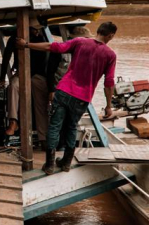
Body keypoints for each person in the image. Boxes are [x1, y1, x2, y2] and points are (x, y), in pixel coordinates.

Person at [20, 21, 118, 174]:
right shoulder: (110, 55)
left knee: (54, 126)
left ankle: (50, 165)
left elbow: (53, 47)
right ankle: (66, 163)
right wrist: (108, 106)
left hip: (64, 91)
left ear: (98, 31)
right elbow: (109, 83)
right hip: (83, 98)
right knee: (71, 127)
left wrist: (26, 44)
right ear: (110, 35)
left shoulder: (80, 42)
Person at [0, 21, 51, 145]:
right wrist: (2, 78)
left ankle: (43, 135)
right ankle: (13, 122)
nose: (37, 32)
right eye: (34, 29)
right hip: (21, 73)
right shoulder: (14, 39)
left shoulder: (41, 39)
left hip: (37, 74)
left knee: (40, 100)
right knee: (13, 86)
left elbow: (44, 62)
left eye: (38, 30)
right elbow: (6, 57)